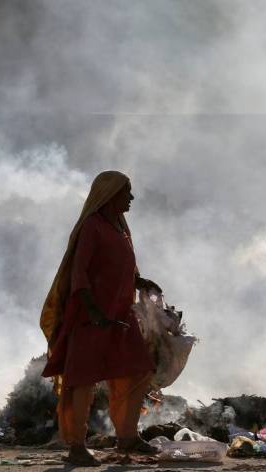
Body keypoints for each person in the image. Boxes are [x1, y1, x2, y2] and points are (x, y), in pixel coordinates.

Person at [40, 170, 162, 466]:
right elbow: (79, 273)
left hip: (120, 316)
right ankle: (77, 446)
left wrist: (140, 282)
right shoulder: (91, 227)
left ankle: (127, 436)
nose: (131, 198)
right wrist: (95, 313)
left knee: (137, 370)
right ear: (110, 195)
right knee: (82, 380)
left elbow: (121, 267)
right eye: (126, 192)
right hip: (90, 317)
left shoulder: (120, 226)